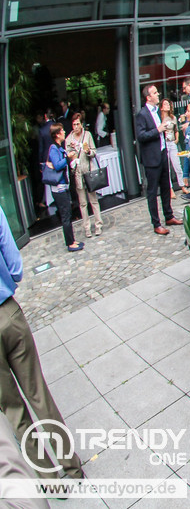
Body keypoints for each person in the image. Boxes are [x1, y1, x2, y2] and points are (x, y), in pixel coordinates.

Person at [0, 206, 83, 482]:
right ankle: (72, 467)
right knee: (38, 393)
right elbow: (15, 266)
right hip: (7, 312)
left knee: (13, 410)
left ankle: (50, 481)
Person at [135, 85, 182, 236]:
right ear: (148, 97)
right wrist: (158, 130)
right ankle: (156, 223)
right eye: (155, 93)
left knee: (166, 186)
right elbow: (141, 136)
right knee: (152, 191)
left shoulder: (157, 112)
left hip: (162, 153)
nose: (158, 95)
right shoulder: (142, 114)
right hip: (151, 158)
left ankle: (169, 216)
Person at [45, 125, 84, 252]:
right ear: (57, 134)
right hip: (59, 188)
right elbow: (57, 165)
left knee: (68, 213)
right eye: (62, 131)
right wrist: (68, 157)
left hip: (63, 186)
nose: (64, 132)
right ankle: (70, 243)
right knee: (66, 215)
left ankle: (72, 240)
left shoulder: (59, 148)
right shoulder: (53, 149)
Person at [65, 112, 104, 237]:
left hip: (88, 170)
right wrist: (72, 155)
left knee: (93, 200)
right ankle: (87, 227)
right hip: (78, 173)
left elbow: (94, 151)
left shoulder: (87, 135)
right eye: (74, 124)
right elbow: (68, 156)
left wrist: (88, 151)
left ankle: (98, 224)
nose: (76, 127)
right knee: (82, 203)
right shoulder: (69, 139)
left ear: (81, 124)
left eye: (78, 124)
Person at [158, 99, 188, 195]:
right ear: (161, 107)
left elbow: (176, 130)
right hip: (164, 143)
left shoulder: (173, 118)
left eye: (168, 104)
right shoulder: (159, 118)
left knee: (177, 165)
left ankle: (182, 185)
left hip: (172, 142)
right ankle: (170, 189)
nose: (167, 106)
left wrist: (176, 139)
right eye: (165, 104)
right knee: (167, 167)